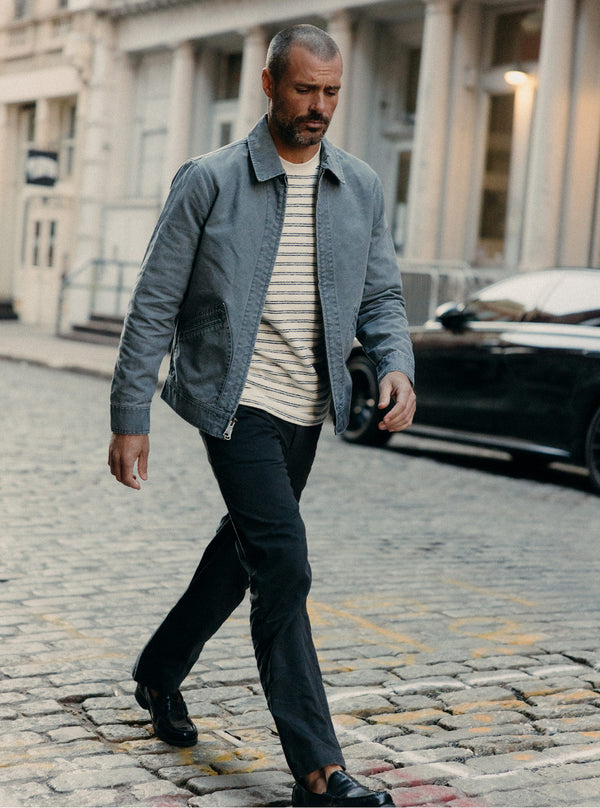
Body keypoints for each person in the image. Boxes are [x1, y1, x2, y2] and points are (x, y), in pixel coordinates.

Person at [108, 23, 415, 808]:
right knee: (283, 564)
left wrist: (395, 364)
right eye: (305, 89)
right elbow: (153, 302)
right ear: (271, 85)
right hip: (234, 401)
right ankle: (318, 769)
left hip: (308, 408)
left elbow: (381, 294)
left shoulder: (360, 186)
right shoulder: (209, 180)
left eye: (332, 93)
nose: (319, 107)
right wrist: (129, 412)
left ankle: (157, 671)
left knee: (239, 558)